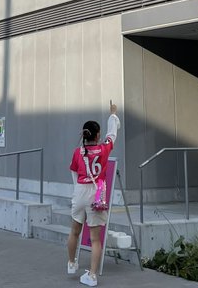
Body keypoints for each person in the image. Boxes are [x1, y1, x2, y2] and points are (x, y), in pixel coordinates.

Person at [67, 101, 120, 287]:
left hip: (80, 190)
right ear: (98, 135)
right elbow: (112, 134)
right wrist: (113, 114)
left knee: (75, 231)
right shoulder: (104, 149)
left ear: (84, 134)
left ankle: (71, 263)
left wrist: (77, 189)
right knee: (96, 239)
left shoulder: (78, 152)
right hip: (98, 192)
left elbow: (73, 171)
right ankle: (92, 275)